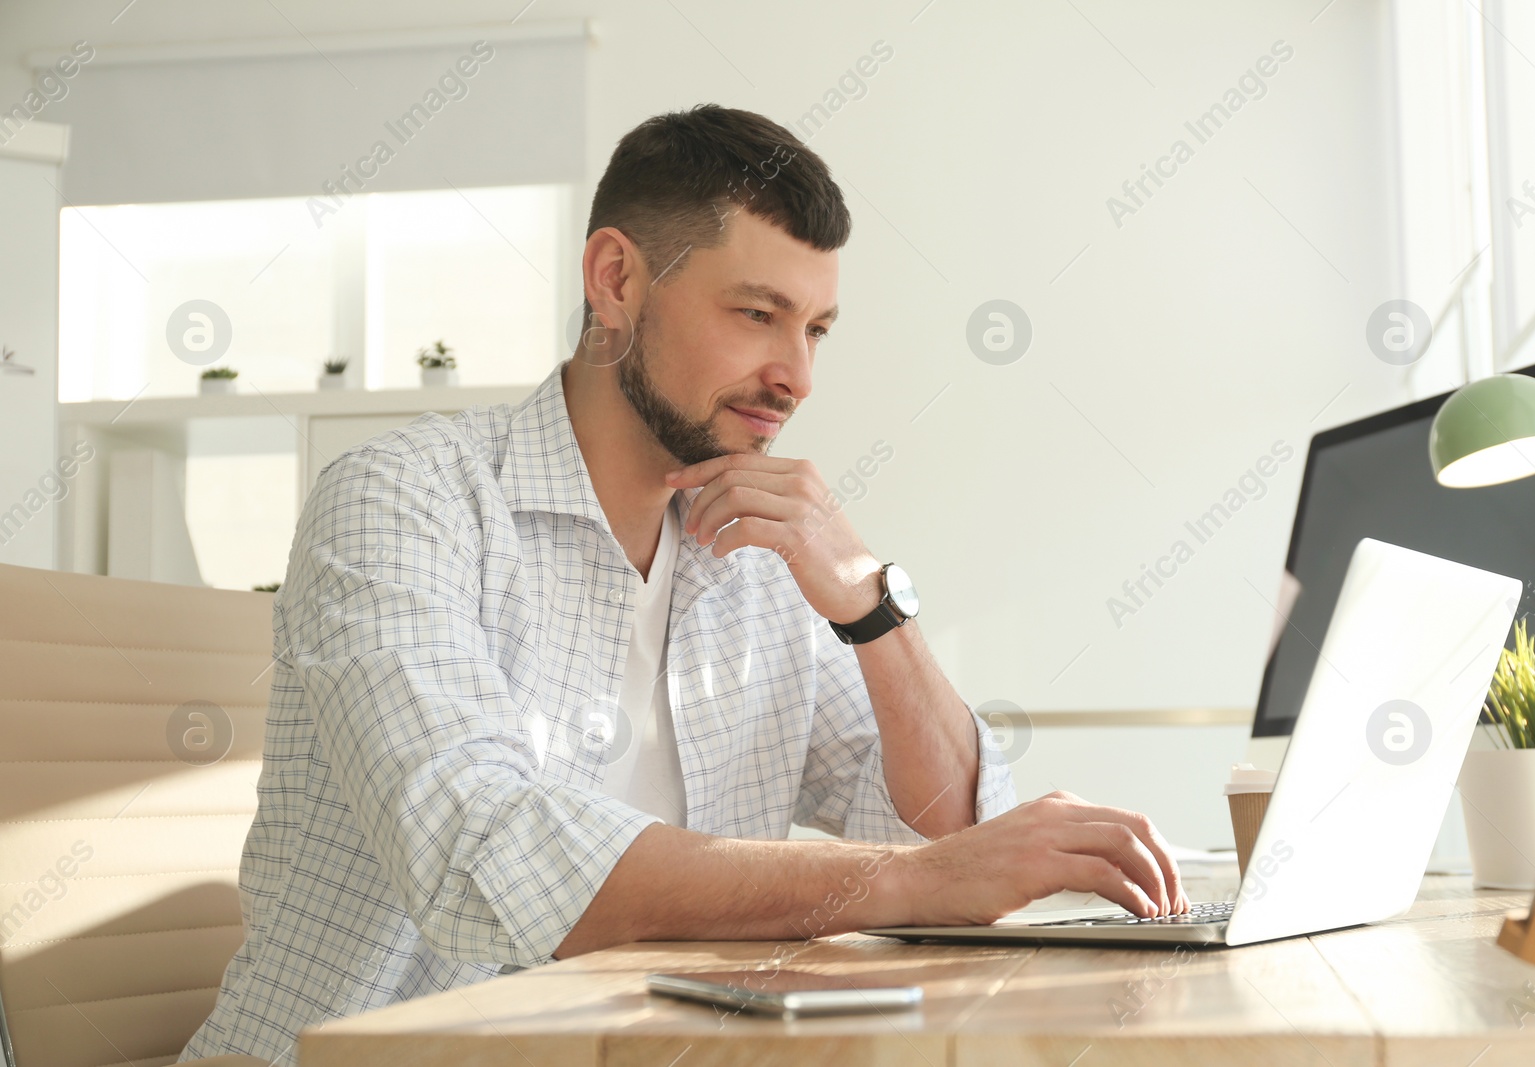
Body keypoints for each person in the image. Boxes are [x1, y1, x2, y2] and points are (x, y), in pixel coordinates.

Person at [182, 103, 1186, 1065]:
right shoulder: (406, 500)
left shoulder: (755, 554)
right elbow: (480, 851)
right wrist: (919, 878)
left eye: (817, 330)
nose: (795, 374)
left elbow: (953, 835)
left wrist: (868, 604)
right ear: (615, 280)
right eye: (758, 313)